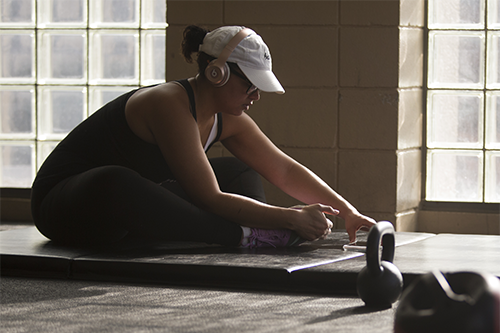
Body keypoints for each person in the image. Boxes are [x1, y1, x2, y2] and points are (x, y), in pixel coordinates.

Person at [30, 25, 375, 248]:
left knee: (240, 173)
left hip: (133, 212)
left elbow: (282, 170)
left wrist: (347, 212)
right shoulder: (168, 103)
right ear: (217, 72)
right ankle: (242, 235)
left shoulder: (229, 116)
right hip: (68, 206)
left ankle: (196, 231)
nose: (255, 95)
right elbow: (208, 197)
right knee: (118, 181)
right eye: (249, 85)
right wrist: (286, 217)